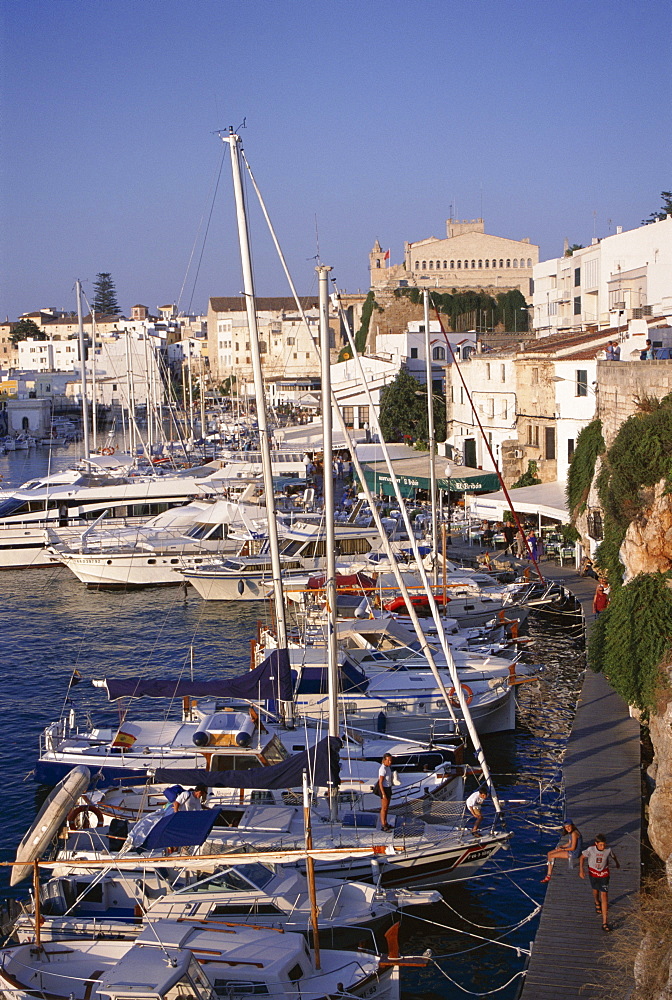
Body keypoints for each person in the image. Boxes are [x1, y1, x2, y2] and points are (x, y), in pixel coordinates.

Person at [580, 833, 620, 931]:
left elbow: (613, 856)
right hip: (593, 874)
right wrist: (581, 870)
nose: (603, 847)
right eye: (601, 845)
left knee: (604, 895)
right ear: (596, 844)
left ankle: (605, 922)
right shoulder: (590, 850)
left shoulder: (608, 850)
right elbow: (582, 857)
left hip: (604, 874)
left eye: (604, 844)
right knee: (595, 891)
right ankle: (596, 902)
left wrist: (617, 863)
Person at [377, 753, 394, 831]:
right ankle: (383, 825)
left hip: (388, 787)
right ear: (384, 760)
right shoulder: (382, 769)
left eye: (391, 760)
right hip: (384, 789)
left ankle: (386, 822)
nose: (390, 762)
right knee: (383, 808)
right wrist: (383, 793)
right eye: (388, 760)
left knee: (387, 807)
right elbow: (380, 782)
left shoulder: (388, 768)